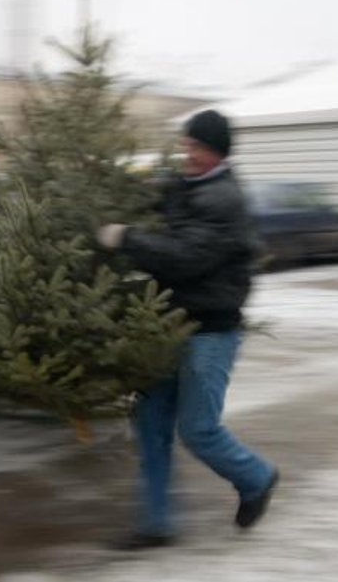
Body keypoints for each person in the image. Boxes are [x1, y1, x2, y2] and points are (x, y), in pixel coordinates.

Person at [96, 109, 279, 549]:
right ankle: (156, 524)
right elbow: (166, 199)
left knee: (198, 430)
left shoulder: (224, 201)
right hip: (166, 327)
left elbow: (183, 257)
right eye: (186, 144)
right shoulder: (190, 186)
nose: (187, 152)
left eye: (195, 147)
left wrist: (126, 238)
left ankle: (257, 477)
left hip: (209, 333)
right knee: (151, 422)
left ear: (216, 152)